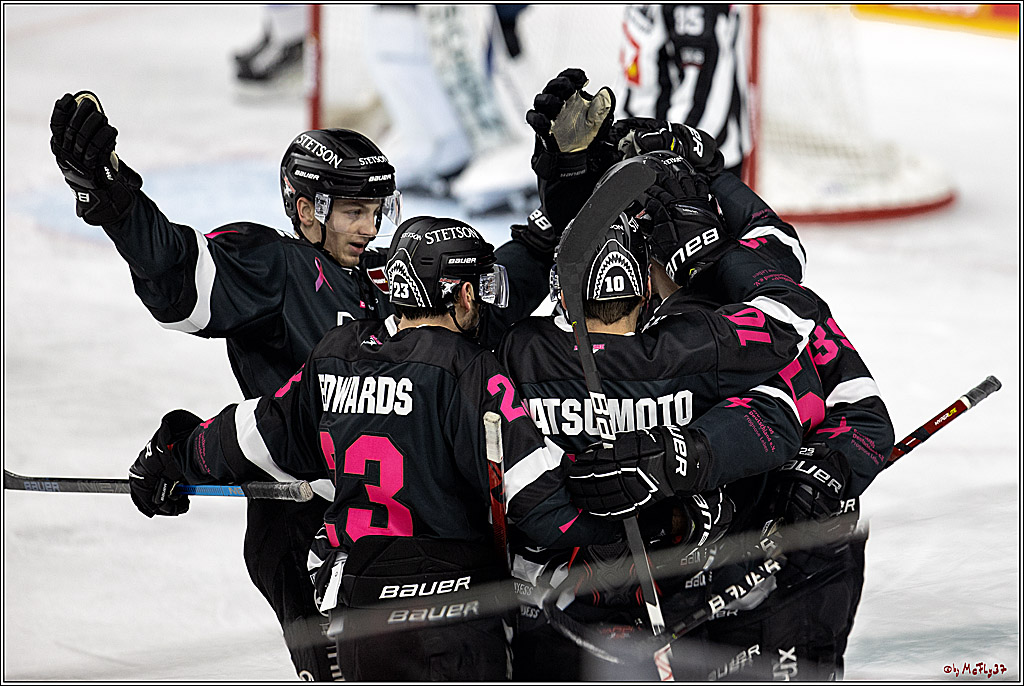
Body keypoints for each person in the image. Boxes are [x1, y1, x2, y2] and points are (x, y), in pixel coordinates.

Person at [48, 91, 554, 680]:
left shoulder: (397, 273)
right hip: (308, 527)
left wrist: (553, 219)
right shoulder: (275, 267)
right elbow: (173, 270)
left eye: (376, 211)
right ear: (309, 210)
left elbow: (485, 300)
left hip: (407, 527)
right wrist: (112, 200)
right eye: (353, 212)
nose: (370, 228)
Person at [124, 216, 622, 680]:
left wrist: (177, 452)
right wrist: (637, 509)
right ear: (464, 293)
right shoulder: (472, 371)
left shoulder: (336, 356)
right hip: (455, 614)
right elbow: (542, 505)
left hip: (360, 616)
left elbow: (254, 436)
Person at [556, 125, 895, 679]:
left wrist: (823, 473)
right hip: (721, 562)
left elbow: (864, 416)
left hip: (802, 559)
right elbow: (774, 233)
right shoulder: (761, 275)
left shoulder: (756, 317)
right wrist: (708, 171)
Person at [498, 151, 831, 679]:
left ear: (559, 291)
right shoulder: (694, 345)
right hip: (677, 602)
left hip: (545, 609)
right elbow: (792, 324)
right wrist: (684, 463)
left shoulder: (515, 350)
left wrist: (546, 224)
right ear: (646, 287)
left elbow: (445, 321)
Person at [618, 4, 750, 179]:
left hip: (697, 157)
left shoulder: (695, 10)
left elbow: (701, 94)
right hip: (644, 146)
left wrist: (670, 152)